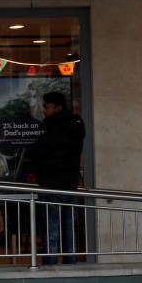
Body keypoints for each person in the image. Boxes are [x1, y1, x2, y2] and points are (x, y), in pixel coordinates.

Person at [29, 91, 85, 265]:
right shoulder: (76, 125)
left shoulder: (54, 128)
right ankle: (71, 264)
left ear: (57, 107)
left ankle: (50, 268)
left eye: (47, 106)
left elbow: (39, 151)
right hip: (70, 185)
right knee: (69, 232)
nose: (44, 110)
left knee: (51, 233)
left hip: (52, 185)